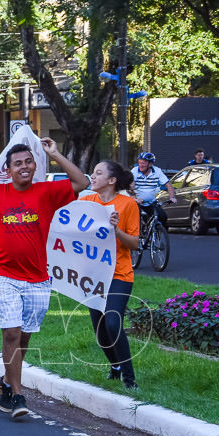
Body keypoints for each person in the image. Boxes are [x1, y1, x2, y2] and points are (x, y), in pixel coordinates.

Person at [0, 139, 88, 420]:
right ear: (8, 170)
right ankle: (18, 393)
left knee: (24, 337)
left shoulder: (47, 191)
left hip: (38, 277)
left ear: (35, 166)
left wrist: (55, 153)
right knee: (11, 332)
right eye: (18, 163)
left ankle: (5, 382)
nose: (24, 167)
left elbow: (81, 182)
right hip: (3, 274)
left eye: (28, 162)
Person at [80, 161, 140, 390]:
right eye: (93, 173)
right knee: (101, 332)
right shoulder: (85, 202)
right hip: (93, 277)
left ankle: (129, 378)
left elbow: (134, 243)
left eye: (98, 173)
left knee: (114, 323)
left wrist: (116, 230)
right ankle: (115, 366)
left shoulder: (127, 205)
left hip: (119, 274)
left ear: (112, 180)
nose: (93, 177)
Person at [131, 152, 177, 225]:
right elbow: (130, 186)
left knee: (163, 217)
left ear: (150, 164)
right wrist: (134, 198)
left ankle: (157, 233)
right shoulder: (134, 171)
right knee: (136, 221)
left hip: (151, 202)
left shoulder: (157, 171)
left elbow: (168, 185)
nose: (140, 165)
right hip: (137, 203)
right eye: (139, 163)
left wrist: (172, 197)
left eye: (143, 163)